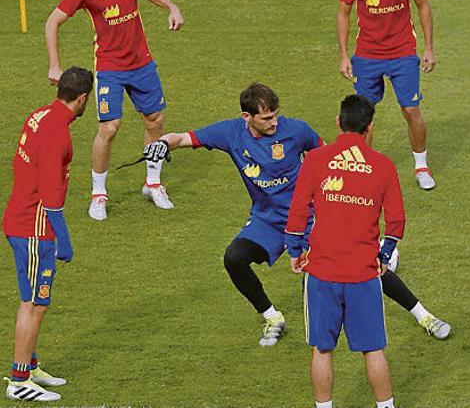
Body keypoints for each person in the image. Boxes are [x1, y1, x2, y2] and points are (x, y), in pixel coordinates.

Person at [143, 84, 449, 347]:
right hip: (267, 219)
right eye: (266, 118)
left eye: (276, 115)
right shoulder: (229, 133)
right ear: (246, 117)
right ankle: (272, 317)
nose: (275, 123)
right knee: (234, 258)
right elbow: (181, 138)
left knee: (361, 265)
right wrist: (160, 143)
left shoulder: (297, 130)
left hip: (311, 217)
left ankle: (423, 315)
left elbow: (331, 157)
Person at [45, 0, 185, 221]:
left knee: (155, 119)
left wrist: (171, 6)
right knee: (109, 128)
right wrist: (54, 65)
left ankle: (153, 183)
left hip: (142, 62)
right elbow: (53, 21)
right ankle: (99, 194)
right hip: (110, 66)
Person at [285, 94, 403, 408]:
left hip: (322, 271)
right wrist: (384, 255)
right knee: (373, 350)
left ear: (338, 122)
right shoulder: (383, 166)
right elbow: (396, 221)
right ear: (370, 127)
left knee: (322, 349)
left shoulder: (315, 160)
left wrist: (295, 250)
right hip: (363, 272)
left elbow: (298, 212)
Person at [2, 67, 94, 402]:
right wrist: (64, 241)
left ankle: (31, 365)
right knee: (34, 303)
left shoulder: (39, 115)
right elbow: (53, 199)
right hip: (34, 227)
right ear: (82, 97)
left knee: (31, 300)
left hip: (20, 216)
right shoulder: (58, 132)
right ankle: (18, 380)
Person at [337, 0, 437, 190]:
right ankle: (363, 169)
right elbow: (343, 14)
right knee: (362, 114)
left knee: (411, 109)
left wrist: (428, 47)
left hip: (402, 52)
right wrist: (345, 55)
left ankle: (421, 166)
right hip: (367, 55)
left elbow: (423, 6)